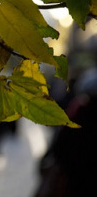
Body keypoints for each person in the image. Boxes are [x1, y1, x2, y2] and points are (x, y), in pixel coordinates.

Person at [34, 67, 97, 197]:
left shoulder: (78, 113)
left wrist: (47, 158)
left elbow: (59, 146)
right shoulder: (78, 112)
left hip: (73, 179)